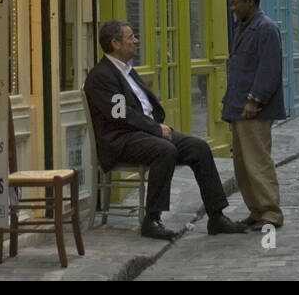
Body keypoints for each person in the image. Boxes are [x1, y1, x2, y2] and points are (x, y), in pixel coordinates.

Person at [84, 20, 247, 239]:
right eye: (131, 37)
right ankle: (152, 220)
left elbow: (143, 107)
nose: (136, 41)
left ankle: (216, 217)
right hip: (120, 138)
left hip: (143, 132)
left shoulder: (127, 71)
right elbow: (121, 114)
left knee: (198, 147)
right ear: (115, 43)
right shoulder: (102, 75)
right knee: (165, 150)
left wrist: (157, 126)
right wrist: (155, 128)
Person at [223, 0, 286, 231]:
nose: (233, 8)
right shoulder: (244, 28)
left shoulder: (266, 29)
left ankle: (271, 212)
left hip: (253, 110)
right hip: (238, 107)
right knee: (242, 165)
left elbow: (268, 70)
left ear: (250, 1)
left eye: (235, 2)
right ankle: (256, 210)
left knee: (257, 162)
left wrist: (254, 100)